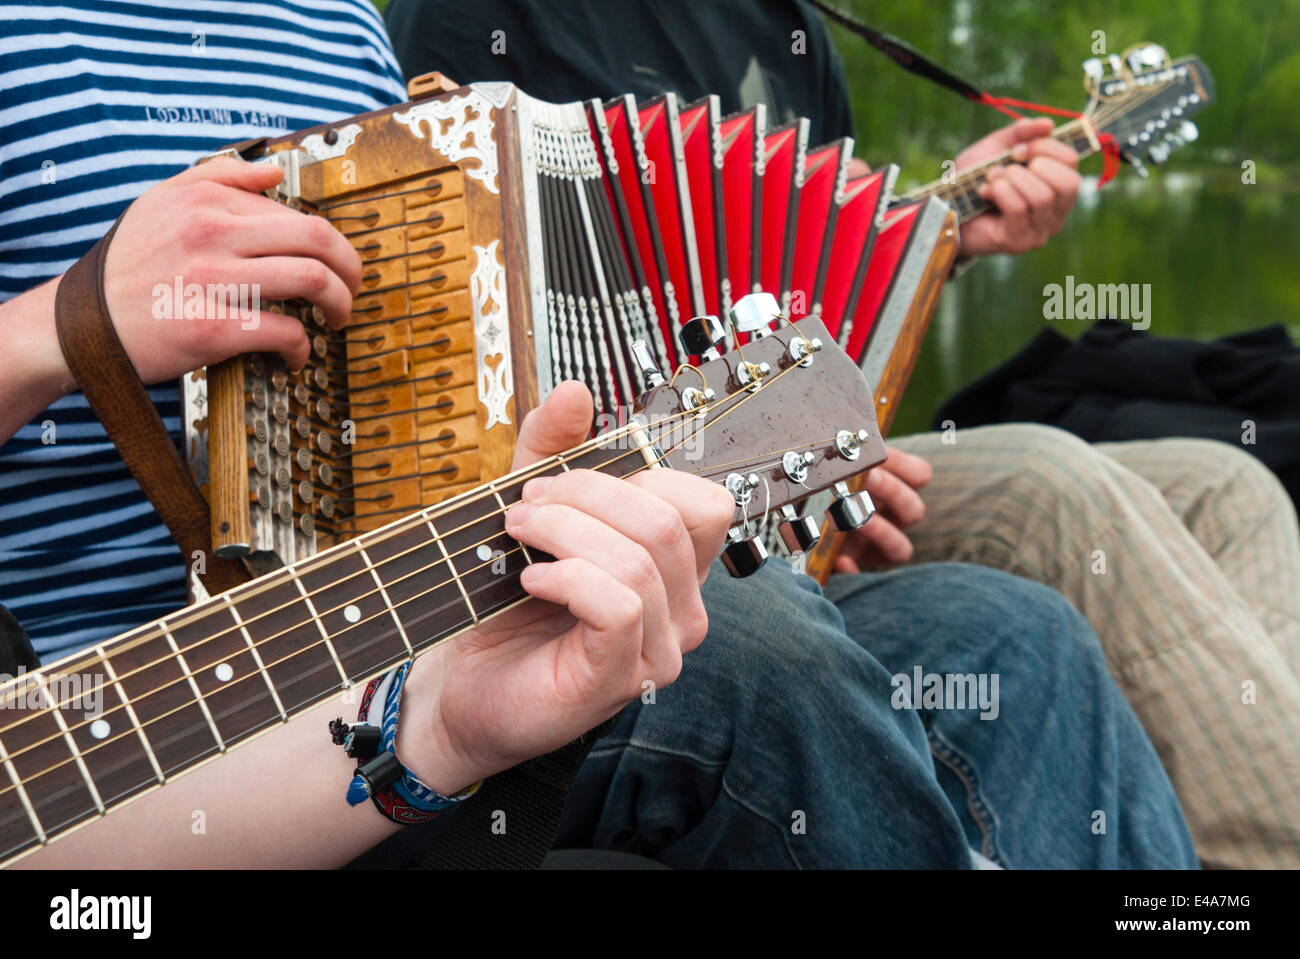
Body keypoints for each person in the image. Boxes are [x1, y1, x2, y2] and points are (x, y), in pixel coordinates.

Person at [0, 0, 1196, 869]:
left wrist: (727, 470)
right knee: (745, 638)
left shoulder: (333, 23)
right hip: (135, 694)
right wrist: (64, 324)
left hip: (403, 592)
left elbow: (448, 383)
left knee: (1008, 629)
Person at [385, 0, 1300, 868]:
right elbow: (488, 340)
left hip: (795, 447)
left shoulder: (790, 26)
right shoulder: (483, 17)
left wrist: (939, 238)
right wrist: (792, 459)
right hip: (624, 474)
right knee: (1052, 488)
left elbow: (813, 284)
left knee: (1229, 485)